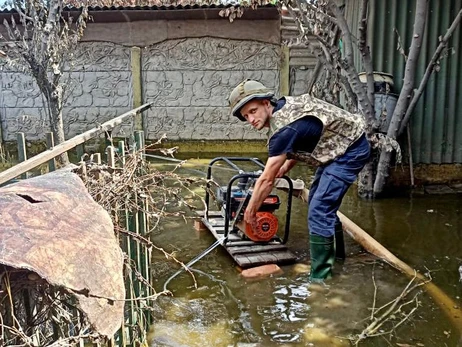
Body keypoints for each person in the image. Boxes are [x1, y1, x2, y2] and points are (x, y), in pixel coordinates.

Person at [228, 79, 371, 281]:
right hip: (336, 148)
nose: (251, 119)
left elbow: (266, 181)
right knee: (318, 202)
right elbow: (305, 138)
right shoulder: (284, 108)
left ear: (266, 103)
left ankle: (321, 278)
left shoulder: (283, 131)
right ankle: (337, 257)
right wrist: (286, 166)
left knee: (319, 208)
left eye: (253, 111)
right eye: (245, 116)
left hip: (350, 150)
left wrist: (250, 211)